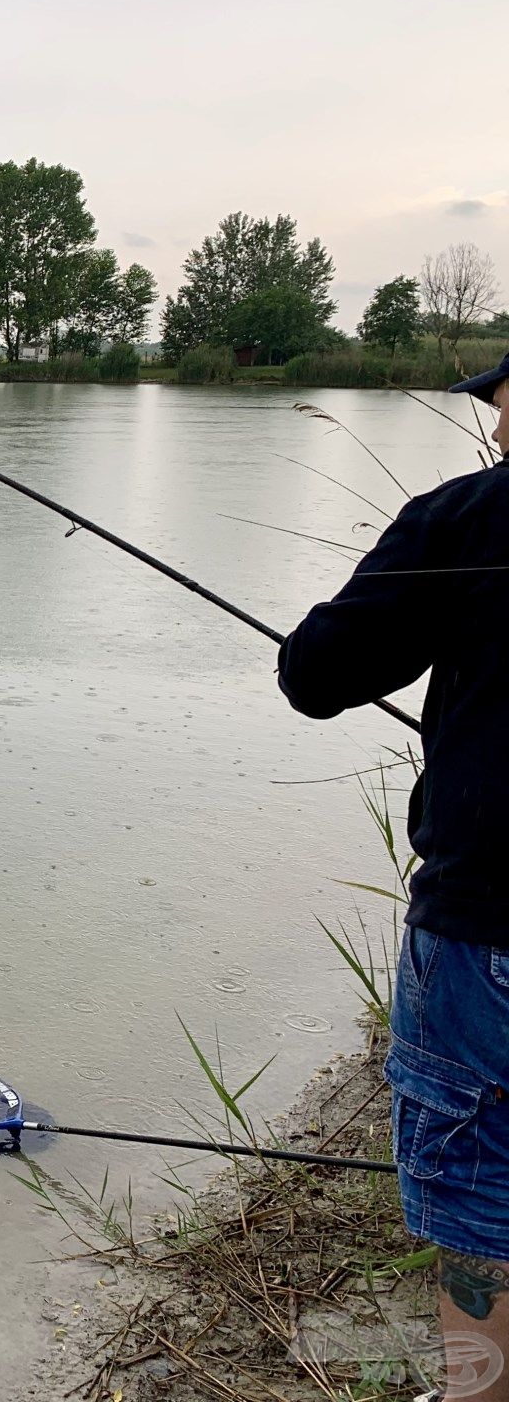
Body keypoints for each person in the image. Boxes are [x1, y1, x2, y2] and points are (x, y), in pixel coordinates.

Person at [279, 352, 509, 1401]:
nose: (497, 421)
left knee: (479, 1200)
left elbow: (317, 675)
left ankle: (479, 1389)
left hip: (488, 932)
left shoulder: (466, 520)